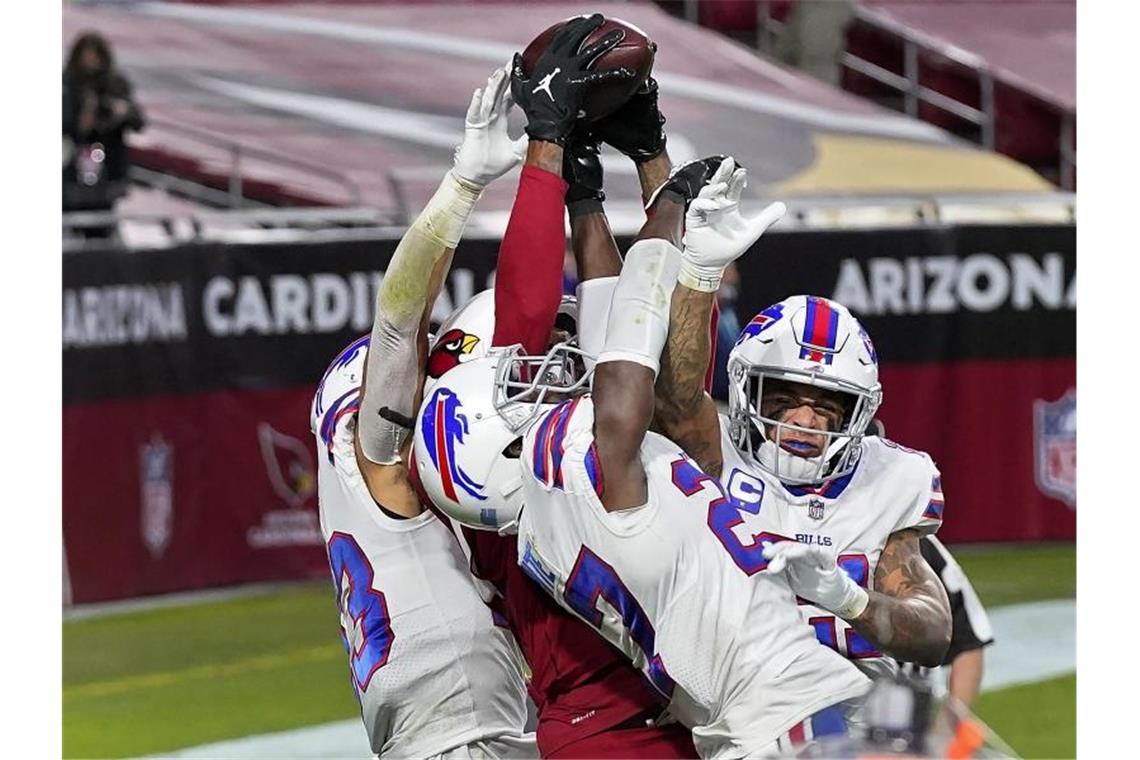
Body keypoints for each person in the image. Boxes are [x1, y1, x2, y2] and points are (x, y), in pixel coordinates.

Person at [418, 147, 874, 755]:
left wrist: (585, 198)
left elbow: (629, 358)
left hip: (732, 715)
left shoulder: (555, 496)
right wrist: (665, 218)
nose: (554, 362)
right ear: (499, 435)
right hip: (765, 711)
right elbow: (625, 350)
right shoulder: (585, 474)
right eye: (523, 373)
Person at [416, 16, 700, 756]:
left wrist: (611, 177)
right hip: (613, 725)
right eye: (547, 356)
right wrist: (543, 144)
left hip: (687, 704)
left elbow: (632, 321)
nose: (560, 363)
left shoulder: (548, 434)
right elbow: (528, 317)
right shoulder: (493, 471)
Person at [309, 65, 535, 758]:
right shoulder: (378, 459)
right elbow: (399, 322)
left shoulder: (374, 498)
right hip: (462, 737)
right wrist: (462, 187)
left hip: (442, 728)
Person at [651, 238, 953, 677]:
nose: (805, 420)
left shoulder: (888, 480)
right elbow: (675, 397)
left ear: (858, 412)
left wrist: (848, 598)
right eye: (784, 398)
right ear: (745, 389)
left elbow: (934, 635)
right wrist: (700, 272)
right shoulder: (714, 454)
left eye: (828, 405)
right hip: (733, 715)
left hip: (852, 721)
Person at [63, 31, 146, 225]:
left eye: (94, 56)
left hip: (109, 160)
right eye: (86, 55)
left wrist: (123, 112)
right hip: (76, 160)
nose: (90, 61)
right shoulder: (69, 84)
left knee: (102, 215)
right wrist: (84, 118)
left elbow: (138, 122)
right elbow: (69, 126)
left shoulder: (116, 85)